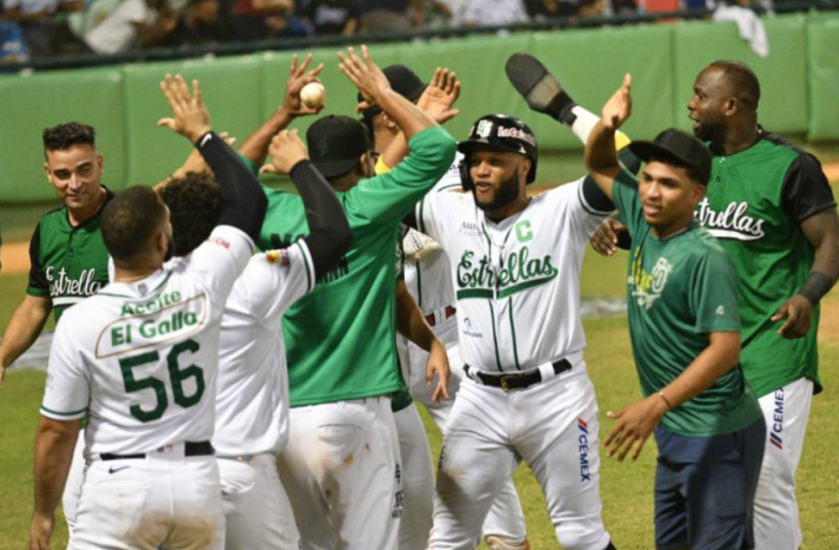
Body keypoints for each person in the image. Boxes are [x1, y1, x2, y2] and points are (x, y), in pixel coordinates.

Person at [592, 60, 839, 550]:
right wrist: (626, 234)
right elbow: (679, 233)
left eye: (699, 94)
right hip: (702, 350)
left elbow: (831, 238)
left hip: (773, 346)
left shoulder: (789, 165)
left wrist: (808, 294)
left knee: (766, 480)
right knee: (717, 484)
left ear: (731, 105)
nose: (690, 103)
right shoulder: (692, 165)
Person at [28, 74, 267, 549]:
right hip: (198, 481)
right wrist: (203, 135)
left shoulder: (79, 321)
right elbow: (248, 200)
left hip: (118, 484)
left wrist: (41, 513)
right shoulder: (200, 285)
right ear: (163, 239)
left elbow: (56, 430)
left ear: (107, 251)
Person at [256, 45, 456, 550]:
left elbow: (221, 180)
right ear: (365, 160)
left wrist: (283, 115)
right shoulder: (370, 209)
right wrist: (385, 93)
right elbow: (436, 149)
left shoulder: (274, 216)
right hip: (360, 413)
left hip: (288, 416)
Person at [408, 109, 617, 550]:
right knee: (446, 536)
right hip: (479, 400)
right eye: (475, 160)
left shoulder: (564, 210)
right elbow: (386, 185)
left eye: (495, 161)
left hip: (557, 397)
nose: (480, 170)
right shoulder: (448, 210)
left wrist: (576, 113)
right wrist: (392, 100)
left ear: (525, 167)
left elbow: (624, 171)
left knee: (580, 535)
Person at [586, 74, 766, 550]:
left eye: (668, 184)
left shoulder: (704, 256)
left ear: (696, 195)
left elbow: (725, 349)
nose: (650, 191)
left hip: (718, 433)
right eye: (647, 178)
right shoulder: (644, 221)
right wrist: (606, 124)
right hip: (676, 431)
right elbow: (599, 161)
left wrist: (656, 404)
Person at [160, 128, 352, 549]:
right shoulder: (251, 280)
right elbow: (334, 234)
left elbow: (137, 212)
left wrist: (192, 158)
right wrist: (299, 165)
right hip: (240, 474)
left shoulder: (139, 286)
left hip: (167, 476)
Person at [367, 63, 530, 550]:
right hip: (382, 349)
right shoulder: (368, 164)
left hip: (447, 343)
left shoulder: (451, 167)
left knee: (479, 467)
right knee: (388, 480)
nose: (371, 118)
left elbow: (491, 214)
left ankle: (507, 539)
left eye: (375, 108)